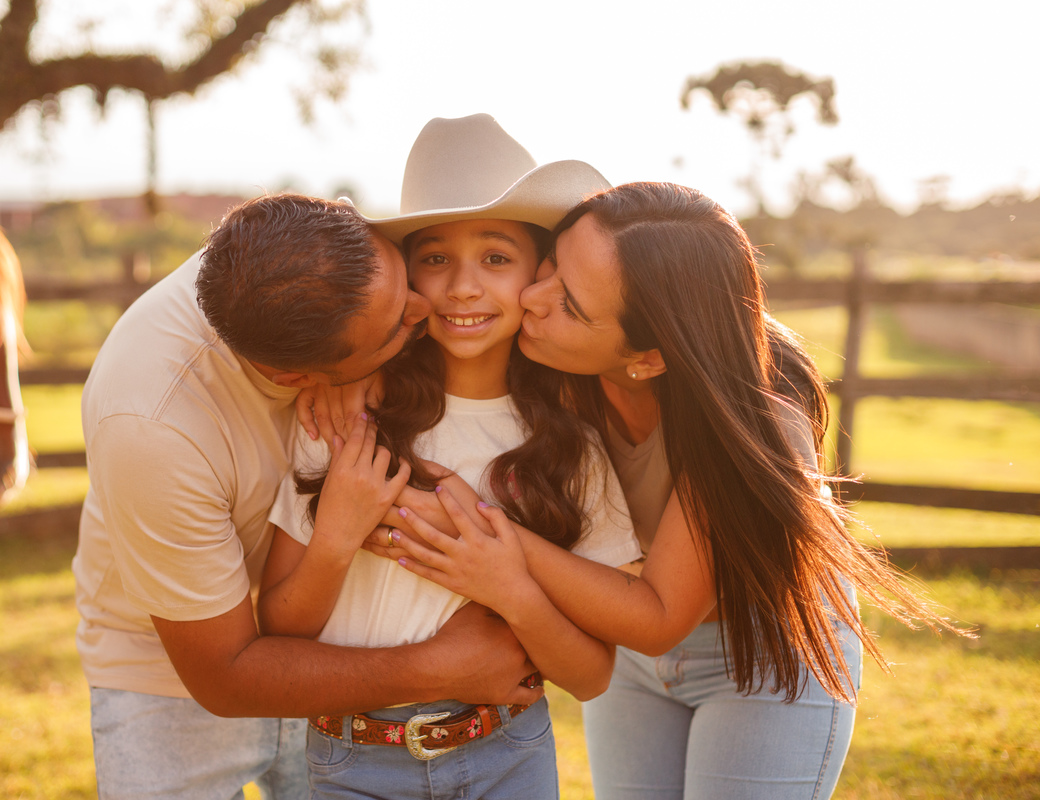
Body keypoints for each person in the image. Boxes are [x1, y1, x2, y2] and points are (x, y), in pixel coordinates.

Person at [387, 182, 968, 799]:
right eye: (553, 265)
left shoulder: (756, 421)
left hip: (764, 654)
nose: (531, 297)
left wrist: (493, 540)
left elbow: (659, 615)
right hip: (629, 658)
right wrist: (336, 382)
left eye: (571, 303)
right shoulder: (552, 359)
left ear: (648, 357)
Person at [72, 193, 544, 799]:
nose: (426, 312)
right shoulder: (153, 425)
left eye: (403, 290)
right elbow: (224, 676)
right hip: (173, 674)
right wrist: (442, 667)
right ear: (298, 377)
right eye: (399, 324)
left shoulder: (313, 246)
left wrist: (377, 363)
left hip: (336, 644)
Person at [259, 114, 638, 800]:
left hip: (509, 749)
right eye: (435, 258)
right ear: (405, 274)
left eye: (495, 258)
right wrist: (336, 538)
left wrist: (510, 588)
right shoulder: (343, 419)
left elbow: (591, 677)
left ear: (538, 272)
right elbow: (280, 629)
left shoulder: (572, 445)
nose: (464, 287)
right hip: (354, 760)